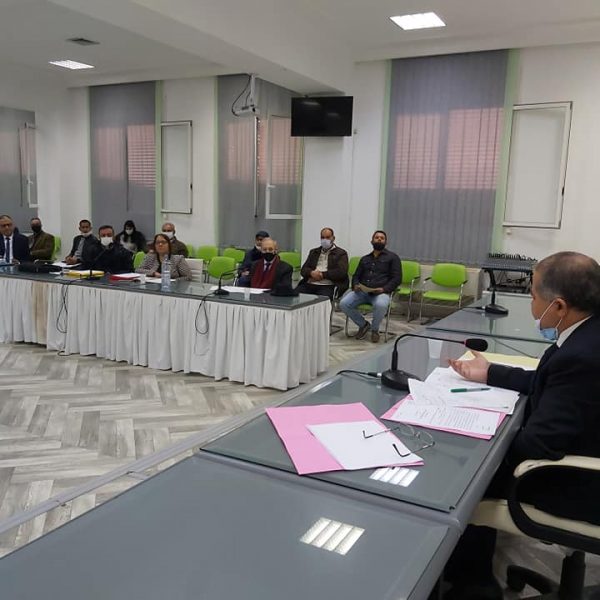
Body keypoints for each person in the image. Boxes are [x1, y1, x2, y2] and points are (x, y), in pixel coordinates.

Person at [443, 251, 600, 600]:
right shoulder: (587, 334)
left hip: (580, 484)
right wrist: (490, 373)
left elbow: (538, 446)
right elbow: (547, 383)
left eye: (532, 296)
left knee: (464, 479)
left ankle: (473, 585)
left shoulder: (583, 357)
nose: (531, 304)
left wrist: (480, 442)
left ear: (559, 306)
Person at [339, 230, 401, 343]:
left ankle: (375, 330)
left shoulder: (393, 258)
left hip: (381, 292)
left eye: (382, 238)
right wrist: (355, 285)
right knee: (344, 303)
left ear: (386, 242)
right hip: (362, 291)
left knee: (381, 304)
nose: (379, 239)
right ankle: (363, 324)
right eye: (376, 237)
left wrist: (384, 289)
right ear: (371, 241)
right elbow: (356, 275)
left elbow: (397, 278)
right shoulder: (365, 259)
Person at [296, 227, 348, 299]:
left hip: (328, 285)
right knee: (294, 296)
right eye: (322, 238)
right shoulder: (314, 252)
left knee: (321, 301)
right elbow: (303, 270)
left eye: (328, 237)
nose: (325, 240)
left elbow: (341, 272)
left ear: (333, 238)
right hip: (310, 283)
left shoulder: (341, 253)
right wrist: (311, 273)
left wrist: (322, 275)